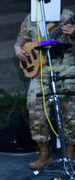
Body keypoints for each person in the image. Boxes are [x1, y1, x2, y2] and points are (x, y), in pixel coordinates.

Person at [14, 9, 75, 169]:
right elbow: (19, 42)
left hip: (64, 66)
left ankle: (71, 154)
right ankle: (44, 153)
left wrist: (74, 33)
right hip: (40, 71)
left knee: (70, 110)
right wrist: (18, 50)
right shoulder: (30, 18)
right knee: (34, 105)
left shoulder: (67, 16)